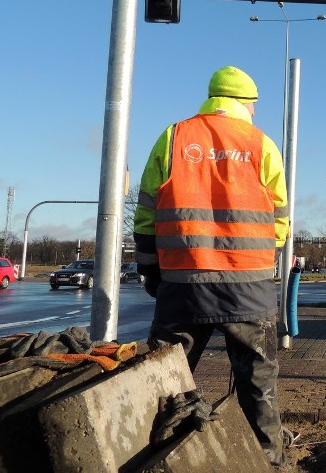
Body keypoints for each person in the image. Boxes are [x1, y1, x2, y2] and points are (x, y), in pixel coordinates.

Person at [133, 65, 290, 466]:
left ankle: (145, 458)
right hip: (249, 287)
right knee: (259, 387)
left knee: (163, 383)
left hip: (184, 283)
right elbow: (281, 224)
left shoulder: (174, 137)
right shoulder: (263, 145)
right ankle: (267, 463)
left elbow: (147, 215)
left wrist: (153, 272)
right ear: (246, 103)